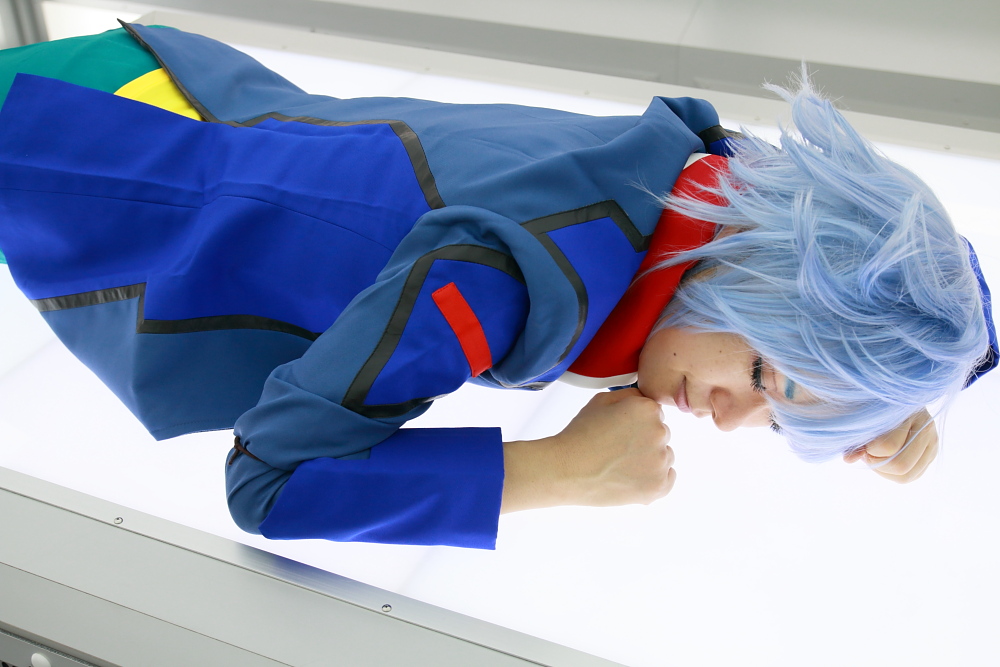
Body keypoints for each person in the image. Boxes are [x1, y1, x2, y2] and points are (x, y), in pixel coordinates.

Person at [0, 24, 994, 548]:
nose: (733, 419)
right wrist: (558, 472)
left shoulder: (679, 184)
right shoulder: (508, 278)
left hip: (163, 93)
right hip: (89, 155)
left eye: (775, 422)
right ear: (760, 278)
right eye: (767, 376)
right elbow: (269, 483)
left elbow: (880, 253)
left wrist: (887, 391)